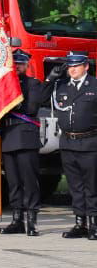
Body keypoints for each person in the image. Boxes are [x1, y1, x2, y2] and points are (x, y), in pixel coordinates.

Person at [47, 51, 97, 239]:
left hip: (90, 142)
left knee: (92, 186)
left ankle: (93, 223)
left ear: (86, 66)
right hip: (68, 142)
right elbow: (40, 99)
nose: (72, 69)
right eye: (70, 66)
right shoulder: (61, 86)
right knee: (75, 186)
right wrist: (50, 79)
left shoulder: (94, 85)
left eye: (76, 66)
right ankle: (79, 223)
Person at [0, 48, 44, 236]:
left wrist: (14, 96)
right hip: (8, 135)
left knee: (29, 180)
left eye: (20, 64)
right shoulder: (3, 85)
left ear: (26, 65)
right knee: (13, 182)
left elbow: (31, 108)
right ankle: (17, 219)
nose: (17, 66)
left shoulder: (33, 84)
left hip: (25, 136)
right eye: (14, 64)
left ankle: (32, 220)